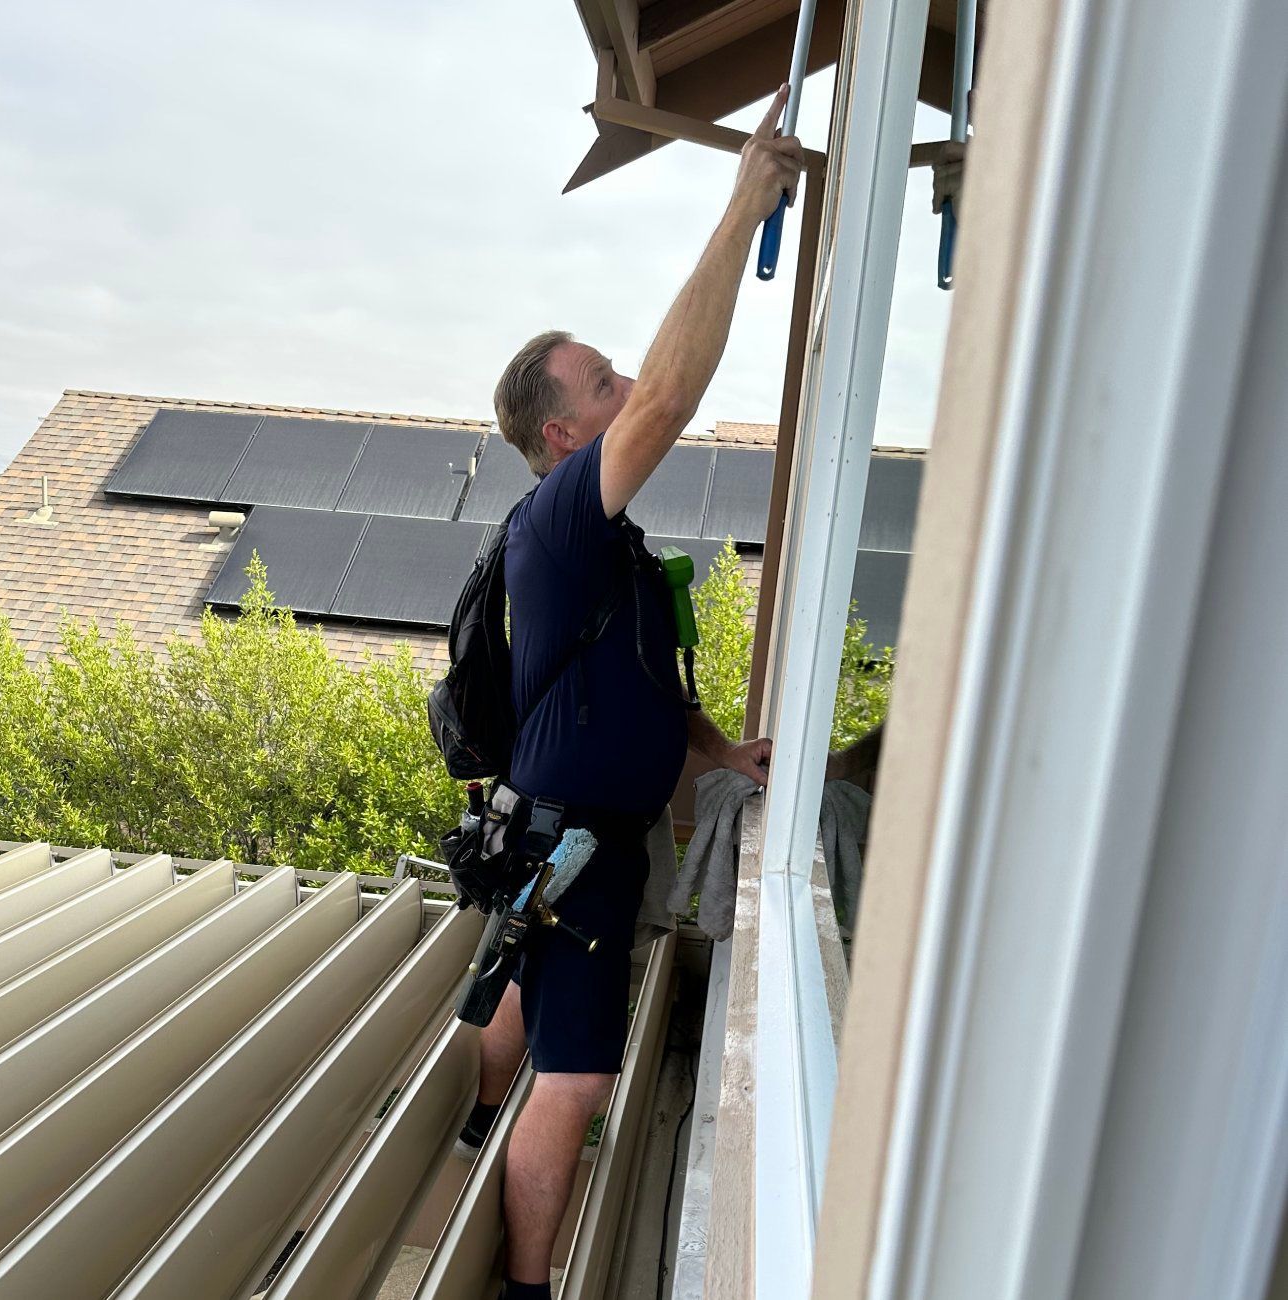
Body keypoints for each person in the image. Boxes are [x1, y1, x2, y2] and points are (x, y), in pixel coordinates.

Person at [465, 85, 805, 1300]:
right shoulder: (560, 519)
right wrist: (739, 209)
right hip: (581, 846)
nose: (622, 388)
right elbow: (671, 395)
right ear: (562, 436)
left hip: (570, 837)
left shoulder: (605, 543)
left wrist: (722, 752)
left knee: (523, 980)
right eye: (598, 381)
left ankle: (468, 1130)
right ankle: (526, 1282)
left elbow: (649, 681)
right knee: (584, 1077)